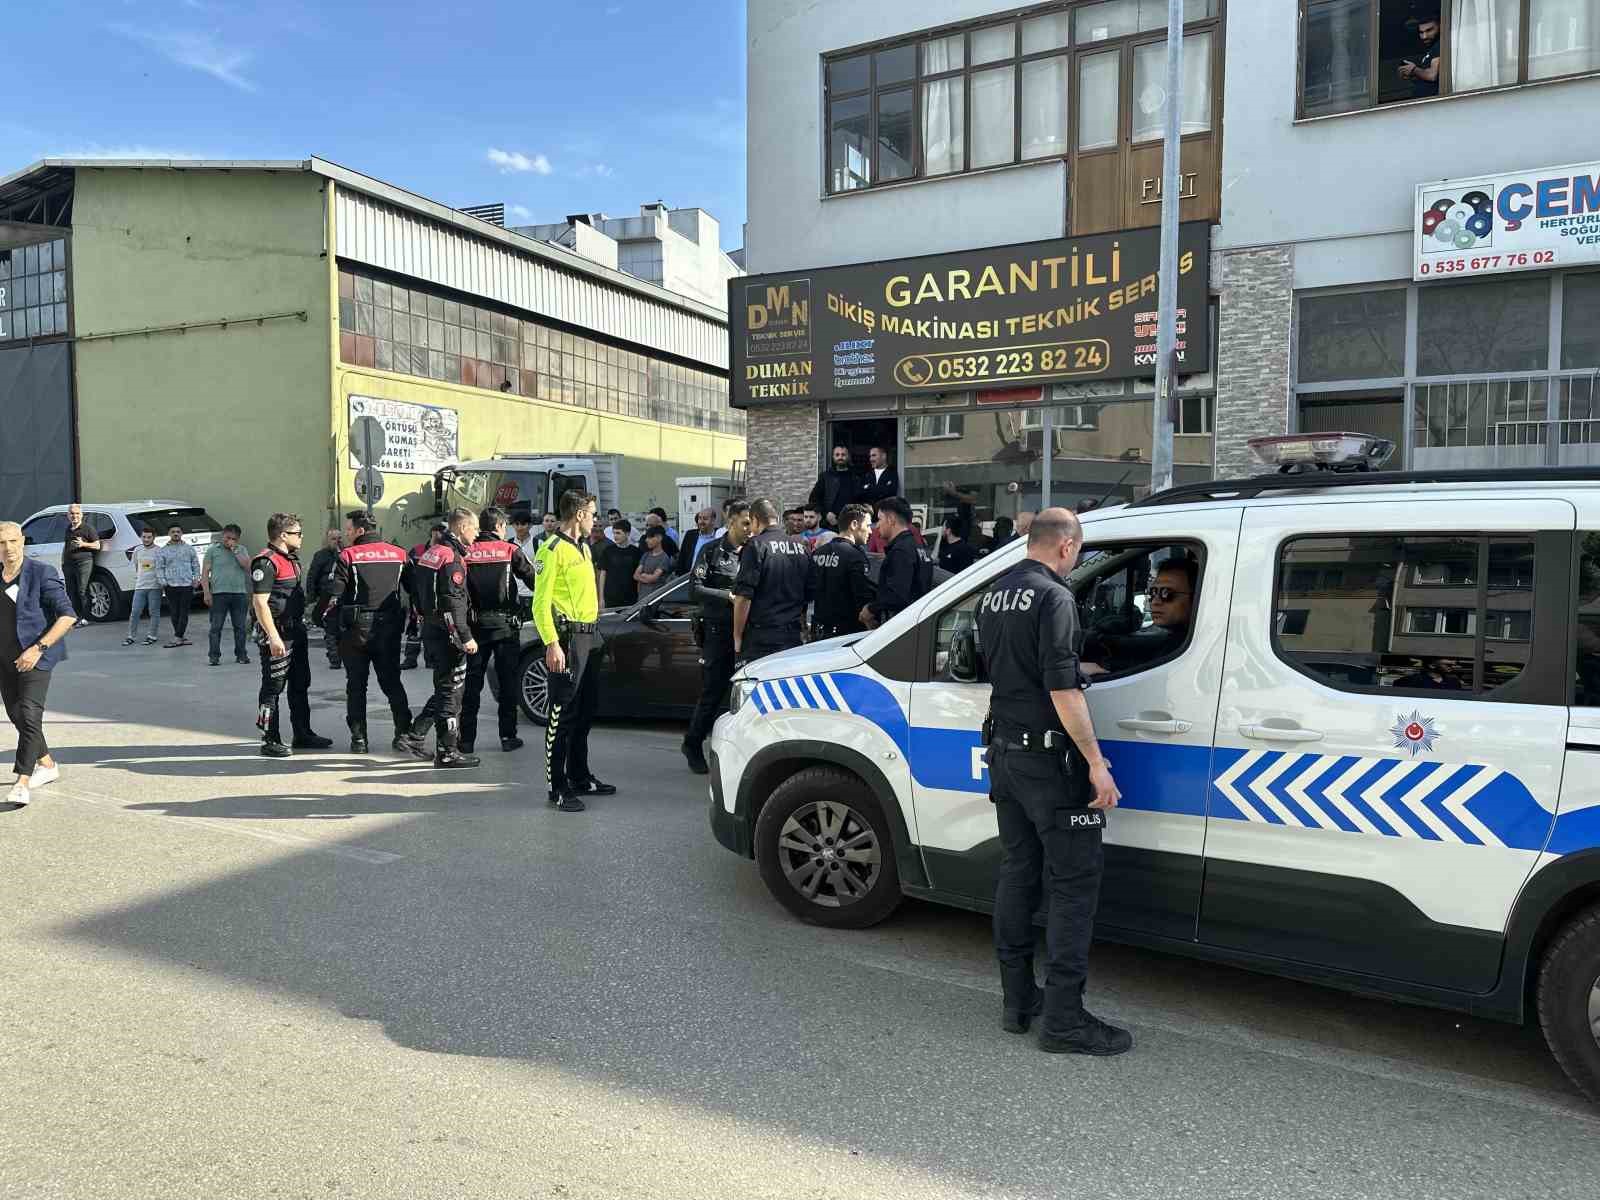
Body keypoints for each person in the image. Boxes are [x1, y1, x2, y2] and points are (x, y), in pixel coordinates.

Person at [976, 507, 1130, 1056]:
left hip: (1006, 755)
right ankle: (1065, 1019)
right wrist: (1096, 762)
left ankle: (1018, 1002)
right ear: (1066, 547)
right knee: (1073, 884)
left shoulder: (995, 591)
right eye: (1080, 552)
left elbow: (1001, 665)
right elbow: (1063, 691)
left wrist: (1071, 669)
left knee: (1019, 871)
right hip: (1049, 764)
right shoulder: (1057, 597)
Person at [534, 489, 615, 812]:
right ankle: (557, 787)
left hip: (589, 635)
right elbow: (540, 604)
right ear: (579, 514)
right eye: (592, 514)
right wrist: (552, 643)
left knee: (584, 712)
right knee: (562, 715)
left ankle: (579, 777)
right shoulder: (551, 549)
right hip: (567, 638)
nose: (595, 520)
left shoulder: (583, 546)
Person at [328, 510, 419, 755]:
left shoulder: (348, 555)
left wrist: (328, 624)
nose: (346, 534)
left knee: (356, 686)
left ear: (359, 530)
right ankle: (403, 731)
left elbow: (333, 596)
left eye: (348, 530)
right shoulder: (399, 554)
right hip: (389, 628)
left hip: (356, 630)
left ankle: (359, 740)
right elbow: (414, 590)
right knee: (392, 683)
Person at [0, 521, 76, 807]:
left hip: (37, 655)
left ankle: (22, 781)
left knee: (30, 713)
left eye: (12, 541)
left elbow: (67, 616)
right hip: (5, 657)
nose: (8, 549)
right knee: (17, 713)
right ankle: (47, 764)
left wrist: (38, 648)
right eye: (1, 543)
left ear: (22, 541)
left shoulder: (42, 573)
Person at [249, 514, 332, 757]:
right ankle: (269, 738)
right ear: (283, 535)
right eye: (297, 533)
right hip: (279, 633)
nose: (301, 537)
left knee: (300, 683)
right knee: (273, 687)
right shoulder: (265, 562)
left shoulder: (291, 560)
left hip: (297, 630)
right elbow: (260, 603)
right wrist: (273, 637)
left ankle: (302, 733)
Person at [460, 505, 538, 754]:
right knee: (507, 683)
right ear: (500, 527)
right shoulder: (509, 550)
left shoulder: (467, 551)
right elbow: (533, 579)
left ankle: (466, 740)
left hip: (475, 627)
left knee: (472, 685)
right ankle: (508, 736)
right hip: (505, 626)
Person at [682, 499, 752, 774]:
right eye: (745, 523)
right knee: (713, 691)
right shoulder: (712, 551)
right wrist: (728, 597)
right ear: (731, 521)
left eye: (752, 523)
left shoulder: (753, 552)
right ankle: (693, 743)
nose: (749, 529)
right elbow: (694, 588)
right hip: (717, 630)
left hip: (747, 631)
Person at [411, 507, 481, 768]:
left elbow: (417, 592)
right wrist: (464, 637)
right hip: (447, 633)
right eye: (473, 529)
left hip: (431, 628)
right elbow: (453, 602)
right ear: (462, 528)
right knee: (451, 693)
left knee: (443, 689)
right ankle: (447, 752)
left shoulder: (431, 552)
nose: (475, 535)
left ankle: (417, 735)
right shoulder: (451, 558)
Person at [1082, 557, 1196, 678]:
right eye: (1152, 593)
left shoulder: (1190, 649)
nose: (1155, 602)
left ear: (1196, 597)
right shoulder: (1179, 642)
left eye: (1166, 593)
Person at [733, 497, 811, 662]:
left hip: (763, 639)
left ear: (755, 520)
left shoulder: (755, 546)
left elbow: (743, 598)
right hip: (792, 636)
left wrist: (737, 637)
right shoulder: (801, 547)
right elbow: (808, 593)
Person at [809, 502, 875, 641]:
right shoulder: (855, 556)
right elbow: (862, 597)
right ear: (854, 525)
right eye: (868, 526)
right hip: (846, 635)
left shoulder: (817, 553)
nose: (870, 531)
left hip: (818, 632)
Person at [868, 496, 927, 629]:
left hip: (900, 628)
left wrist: (871, 609)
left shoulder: (900, 551)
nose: (877, 525)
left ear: (891, 520)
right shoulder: (918, 547)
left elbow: (897, 595)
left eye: (880, 519)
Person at [202, 523, 252, 666]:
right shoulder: (213, 550)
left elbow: (247, 567)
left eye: (233, 538)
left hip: (239, 594)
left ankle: (241, 655)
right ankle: (214, 656)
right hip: (219, 594)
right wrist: (206, 592)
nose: (229, 540)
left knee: (240, 627)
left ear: (238, 540)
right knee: (216, 627)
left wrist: (235, 550)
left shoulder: (242, 550)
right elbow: (205, 573)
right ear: (222, 535)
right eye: (227, 537)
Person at [402, 522, 447, 671]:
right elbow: (406, 574)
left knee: (431, 629)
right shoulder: (417, 550)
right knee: (413, 627)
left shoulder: (445, 551)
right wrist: (413, 593)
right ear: (433, 532)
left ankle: (431, 659)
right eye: (439, 531)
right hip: (416, 596)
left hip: (433, 599)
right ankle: (410, 658)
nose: (441, 534)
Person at [155, 525, 200, 648]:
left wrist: (196, 578)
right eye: (173, 532)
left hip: (186, 584)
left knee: (184, 612)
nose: (176, 534)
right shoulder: (163, 551)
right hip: (171, 585)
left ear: (182, 533)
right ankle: (180, 636)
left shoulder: (189, 549)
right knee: (175, 612)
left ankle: (178, 637)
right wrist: (163, 581)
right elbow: (159, 568)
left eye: (178, 531)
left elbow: (195, 564)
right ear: (169, 534)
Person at [307, 529, 345, 670]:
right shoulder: (321, 556)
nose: (337, 541)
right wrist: (312, 596)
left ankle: (342, 656)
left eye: (339, 538)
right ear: (327, 540)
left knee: (343, 628)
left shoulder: (347, 554)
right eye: (334, 538)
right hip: (327, 596)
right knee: (330, 628)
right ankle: (334, 658)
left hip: (343, 597)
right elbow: (312, 576)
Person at [60, 504, 100, 628]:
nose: (74, 516)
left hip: (84, 562)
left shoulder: (88, 528)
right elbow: (66, 546)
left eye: (77, 513)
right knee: (71, 591)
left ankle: (86, 617)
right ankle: (77, 618)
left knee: (82, 590)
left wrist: (83, 544)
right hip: (68, 564)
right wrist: (63, 561)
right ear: (68, 515)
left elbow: (97, 545)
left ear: (81, 515)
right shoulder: (68, 529)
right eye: (72, 513)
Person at [124, 526, 162, 646]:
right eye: (144, 537)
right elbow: (136, 566)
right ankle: (131, 636)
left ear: (153, 537)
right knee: (135, 611)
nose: (146, 539)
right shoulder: (137, 550)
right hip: (140, 586)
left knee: (154, 612)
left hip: (155, 586)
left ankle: (152, 636)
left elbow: (161, 568)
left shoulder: (159, 551)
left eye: (149, 537)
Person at [809, 445, 860, 529]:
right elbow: (813, 499)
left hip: (850, 523)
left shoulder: (855, 477)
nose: (840, 457)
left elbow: (860, 501)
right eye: (837, 455)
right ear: (833, 457)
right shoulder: (825, 476)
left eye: (843, 455)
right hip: (829, 524)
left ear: (848, 457)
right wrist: (826, 514)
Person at [596, 519, 642, 608]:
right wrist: (601, 598)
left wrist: (639, 597)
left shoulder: (636, 552)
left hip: (630, 598)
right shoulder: (608, 551)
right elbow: (602, 575)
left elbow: (639, 578)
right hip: (610, 598)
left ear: (627, 534)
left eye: (618, 533)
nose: (615, 536)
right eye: (614, 533)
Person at [1399, 14, 1441, 98]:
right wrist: (1411, 73)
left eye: (1429, 30)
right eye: (1421, 32)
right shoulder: (1431, 50)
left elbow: (1432, 75)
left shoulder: (1440, 45)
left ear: (1440, 26)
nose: (1424, 36)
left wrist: (1414, 69)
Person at [676, 507, 719, 576]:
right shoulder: (690, 535)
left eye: (705, 519)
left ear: (713, 520)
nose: (701, 522)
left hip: (710, 580)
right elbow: (682, 558)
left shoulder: (719, 535)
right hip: (690, 578)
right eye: (699, 518)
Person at [635, 526, 672, 593]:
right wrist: (645, 577)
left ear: (659, 538)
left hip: (655, 597)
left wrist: (643, 576)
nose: (646, 540)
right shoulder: (646, 555)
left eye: (650, 537)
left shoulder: (664, 558)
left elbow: (653, 578)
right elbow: (635, 575)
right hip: (642, 597)